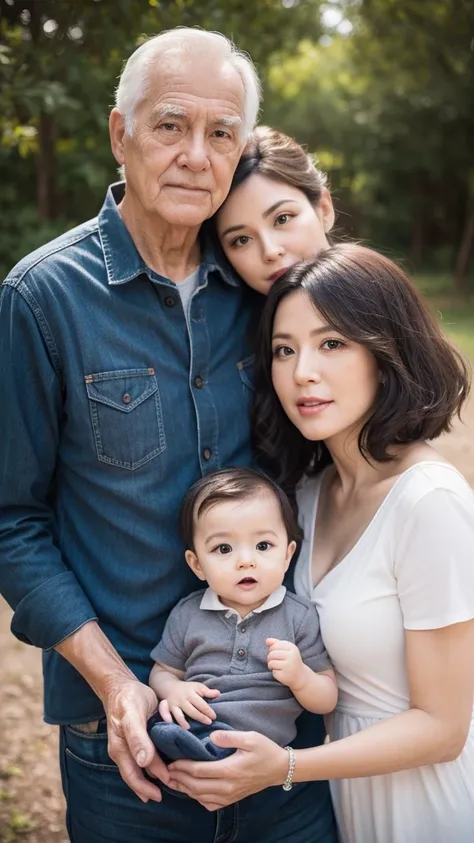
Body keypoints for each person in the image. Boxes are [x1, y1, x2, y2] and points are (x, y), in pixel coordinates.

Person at [0, 27, 339, 843]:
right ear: (121, 135)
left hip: (289, 741)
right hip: (130, 751)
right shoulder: (42, 299)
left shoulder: (268, 295)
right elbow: (11, 521)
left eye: (220, 133)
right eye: (169, 126)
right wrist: (119, 684)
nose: (195, 154)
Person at [167, 244, 474, 843]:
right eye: (285, 349)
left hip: (428, 803)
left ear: (387, 354)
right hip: (344, 798)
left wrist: (285, 767)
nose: (302, 370)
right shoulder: (305, 495)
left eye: (332, 343)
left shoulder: (428, 501)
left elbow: (444, 728)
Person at [150, 467, 337, 747]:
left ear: (287, 556)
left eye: (263, 545)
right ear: (197, 564)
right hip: (201, 727)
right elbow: (162, 671)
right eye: (224, 549)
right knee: (163, 730)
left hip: (265, 748)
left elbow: (327, 698)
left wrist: (301, 677)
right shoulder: (188, 613)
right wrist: (173, 689)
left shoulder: (298, 616)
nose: (246, 561)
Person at [215, 125, 335, 296]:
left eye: (282, 219)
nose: (270, 251)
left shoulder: (383, 305)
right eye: (242, 240)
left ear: (324, 208)